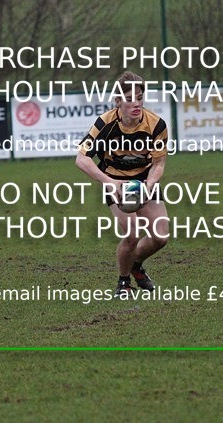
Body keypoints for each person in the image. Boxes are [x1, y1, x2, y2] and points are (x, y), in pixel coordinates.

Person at [76, 71, 170, 297]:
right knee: (133, 234)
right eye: (129, 98)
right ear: (118, 101)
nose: (136, 103)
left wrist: (149, 184)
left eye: (140, 97)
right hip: (115, 181)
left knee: (160, 237)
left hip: (144, 181)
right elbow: (81, 158)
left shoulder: (156, 124)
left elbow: (158, 164)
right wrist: (109, 182)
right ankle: (123, 282)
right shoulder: (105, 124)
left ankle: (136, 265)